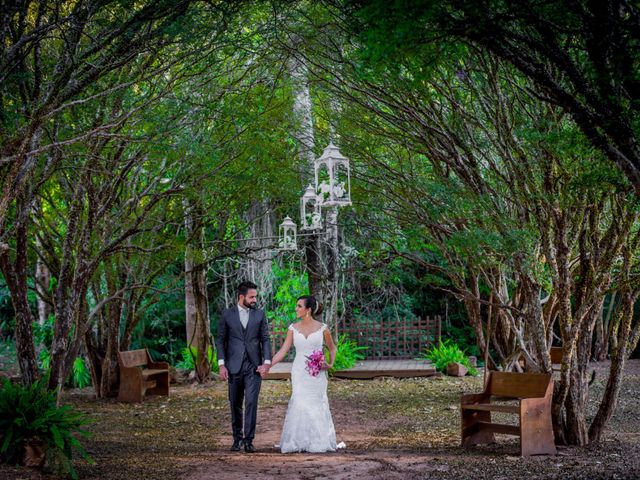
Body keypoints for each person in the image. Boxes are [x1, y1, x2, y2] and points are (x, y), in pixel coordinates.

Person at [260, 295, 338, 453]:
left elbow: (332, 348)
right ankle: (298, 440)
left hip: (317, 373)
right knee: (300, 402)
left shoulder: (323, 328)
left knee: (317, 403)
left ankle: (318, 441)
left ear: (308, 310)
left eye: (299, 306)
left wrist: (329, 364)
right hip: (299, 372)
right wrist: (268, 365)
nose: (296, 308)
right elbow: (283, 350)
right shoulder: (292, 328)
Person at [216, 281, 272, 453]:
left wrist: (267, 362)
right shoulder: (227, 314)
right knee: (235, 404)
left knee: (251, 402)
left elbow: (265, 339)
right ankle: (236, 439)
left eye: (255, 296)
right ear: (241, 297)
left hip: (254, 366)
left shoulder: (260, 314)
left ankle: (249, 440)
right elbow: (220, 340)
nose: (255, 299)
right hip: (233, 366)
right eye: (251, 297)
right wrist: (221, 364)